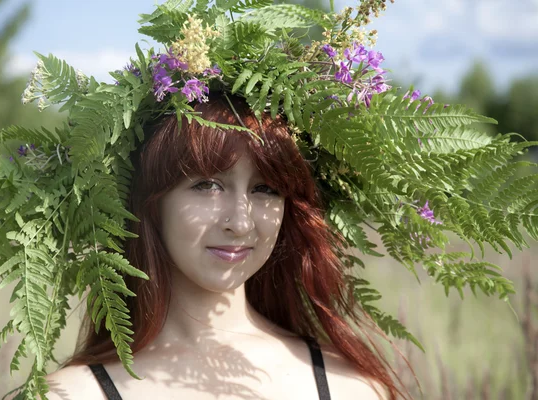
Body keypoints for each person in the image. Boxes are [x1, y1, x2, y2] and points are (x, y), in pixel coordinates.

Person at [40, 93, 401, 400]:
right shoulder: (70, 394)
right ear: (147, 201)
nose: (240, 223)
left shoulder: (349, 387)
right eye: (208, 185)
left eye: (265, 189)